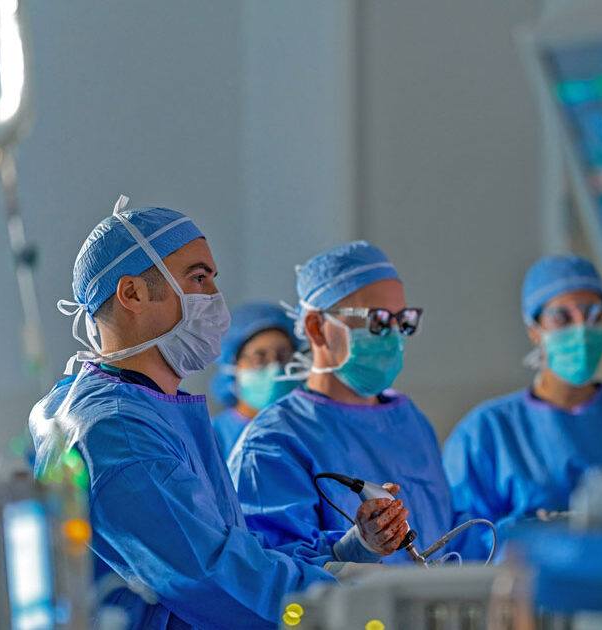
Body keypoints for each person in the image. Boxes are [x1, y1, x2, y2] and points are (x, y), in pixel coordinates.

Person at [29, 198, 412, 629]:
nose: (215, 298)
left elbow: (235, 553)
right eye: (198, 278)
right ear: (132, 293)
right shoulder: (117, 432)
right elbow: (214, 581)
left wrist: (347, 552)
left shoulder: (150, 409)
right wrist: (343, 600)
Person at [229, 241, 488, 565]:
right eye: (377, 321)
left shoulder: (408, 420)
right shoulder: (274, 442)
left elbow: (447, 531)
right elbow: (269, 573)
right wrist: (356, 548)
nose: (393, 336)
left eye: (402, 321)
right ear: (317, 328)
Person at [443, 255, 602, 543]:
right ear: (534, 329)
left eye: (593, 314)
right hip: (526, 586)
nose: (581, 328)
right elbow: (460, 542)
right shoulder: (486, 433)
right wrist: (529, 534)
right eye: (563, 317)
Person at [211, 302, 299, 459]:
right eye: (260, 357)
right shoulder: (211, 438)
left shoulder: (305, 432)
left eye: (283, 355)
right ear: (233, 365)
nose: (274, 366)